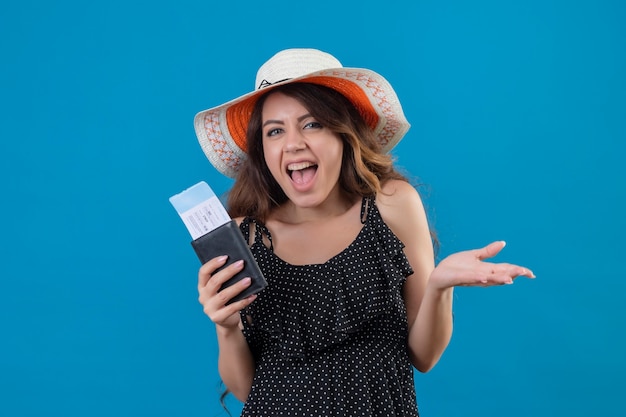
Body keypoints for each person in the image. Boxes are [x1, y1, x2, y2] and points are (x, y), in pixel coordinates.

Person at [192, 48, 534, 416]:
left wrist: (439, 286)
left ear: (344, 133)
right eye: (275, 131)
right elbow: (247, 390)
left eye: (312, 124)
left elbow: (424, 356)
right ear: (263, 150)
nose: (293, 143)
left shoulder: (391, 206)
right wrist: (226, 327)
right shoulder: (247, 236)